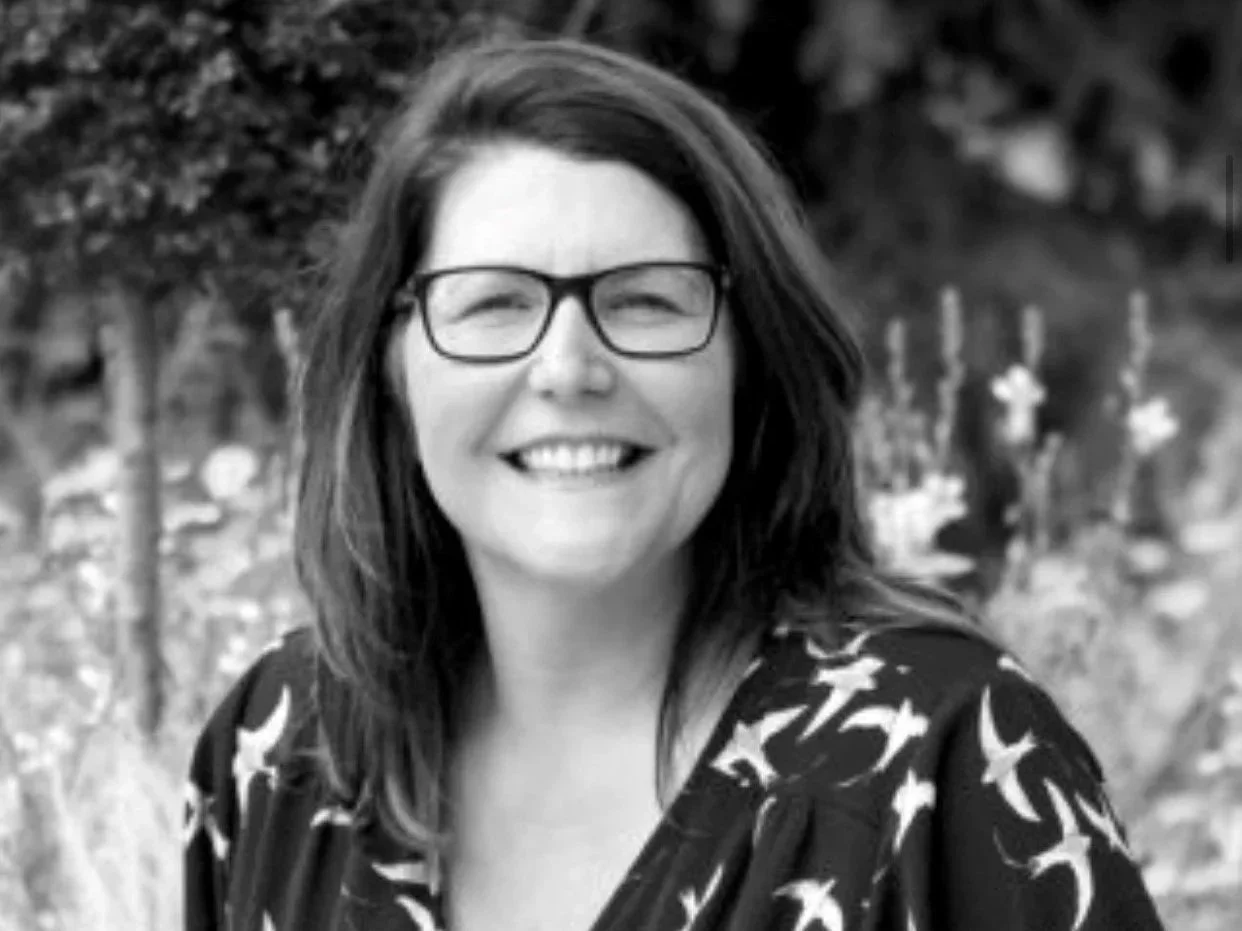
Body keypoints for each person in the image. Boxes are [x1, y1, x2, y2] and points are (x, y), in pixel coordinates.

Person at [183, 33, 1168, 931]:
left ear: (749, 357)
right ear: (394, 363)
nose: (568, 368)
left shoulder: (940, 754)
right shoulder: (280, 748)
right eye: (493, 303)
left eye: (645, 300)